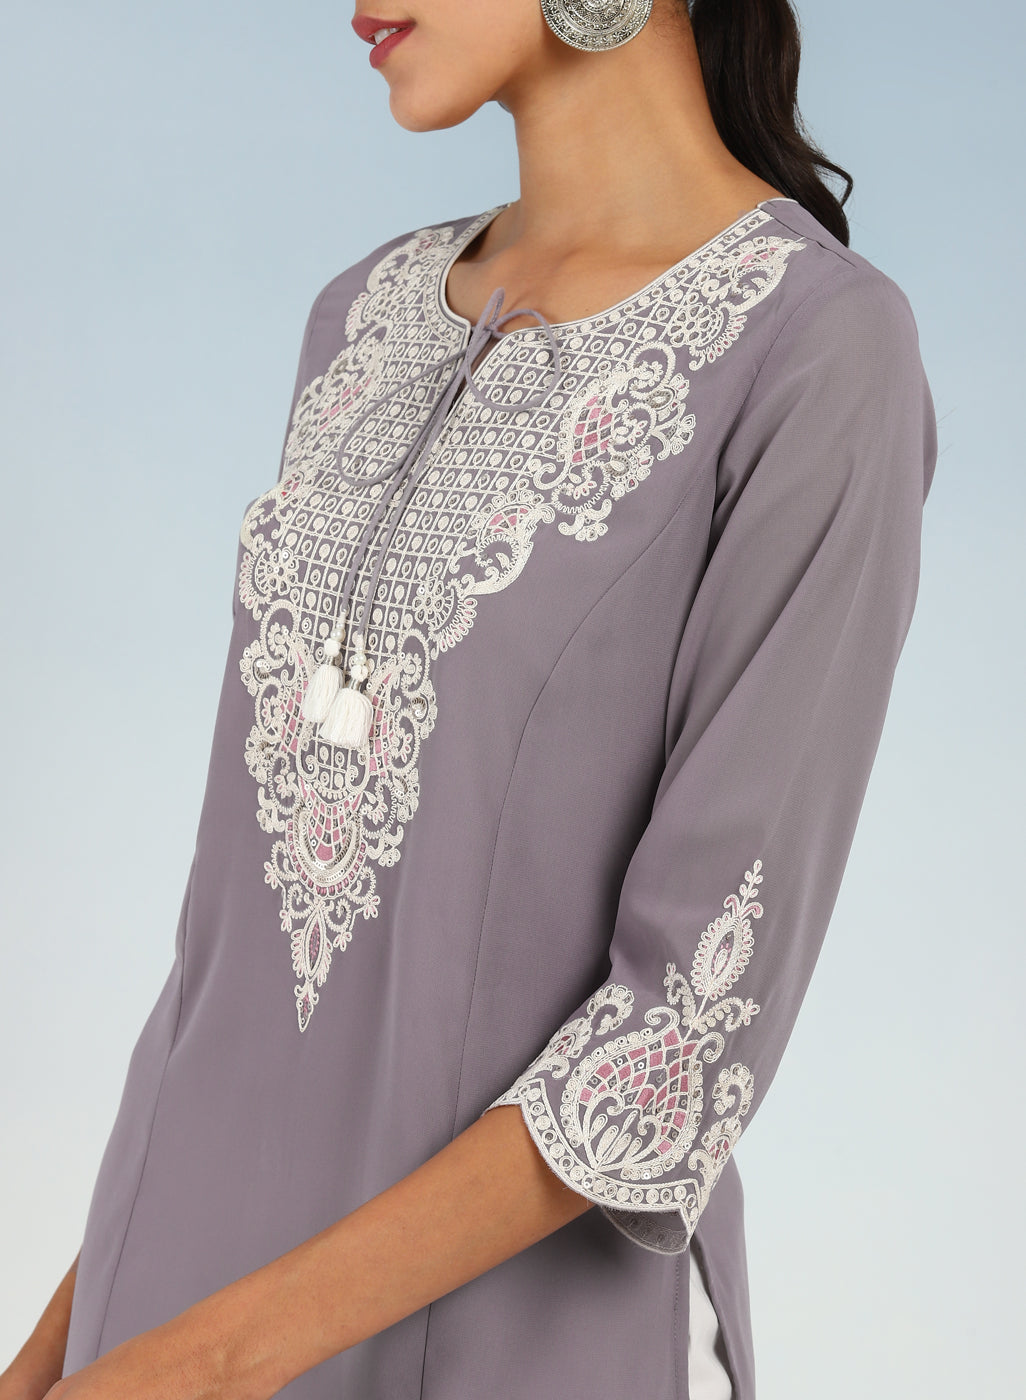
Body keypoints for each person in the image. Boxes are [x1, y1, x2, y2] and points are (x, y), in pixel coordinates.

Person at [1, 2, 938, 1398]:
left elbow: (681, 1032)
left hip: (501, 1344)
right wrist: (54, 1355)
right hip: (163, 1311)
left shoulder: (814, 352)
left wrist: (212, 1362)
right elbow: (227, 964)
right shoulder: (361, 316)